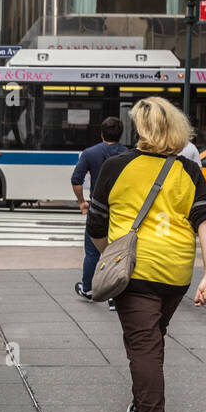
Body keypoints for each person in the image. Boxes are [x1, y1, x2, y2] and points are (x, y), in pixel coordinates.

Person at [87, 97, 206, 412]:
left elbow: (97, 227)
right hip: (177, 273)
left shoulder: (115, 167)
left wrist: (111, 256)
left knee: (144, 347)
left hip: (136, 273)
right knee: (151, 339)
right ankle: (139, 407)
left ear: (139, 129)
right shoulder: (189, 171)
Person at [72, 116, 128, 307]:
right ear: (121, 134)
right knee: (118, 251)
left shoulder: (90, 153)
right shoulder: (129, 154)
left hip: (97, 209)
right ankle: (114, 296)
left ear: (101, 133)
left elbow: (76, 180)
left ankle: (88, 288)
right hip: (122, 210)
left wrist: (82, 203)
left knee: (92, 251)